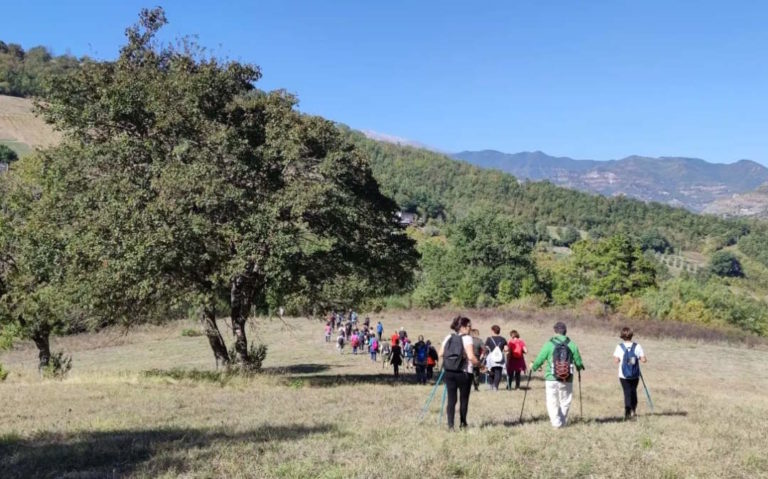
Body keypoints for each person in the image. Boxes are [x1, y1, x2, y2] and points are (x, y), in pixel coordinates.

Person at [530, 321, 585, 428]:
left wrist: (534, 366)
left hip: (551, 377)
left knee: (552, 401)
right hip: (567, 378)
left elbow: (540, 359)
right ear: (565, 331)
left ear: (555, 331)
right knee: (565, 401)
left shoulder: (549, 344)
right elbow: (578, 362)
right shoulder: (572, 344)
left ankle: (556, 423)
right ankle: (562, 422)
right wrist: (579, 367)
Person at [439, 316, 482, 430]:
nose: (470, 328)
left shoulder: (448, 337)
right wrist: (480, 365)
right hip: (464, 372)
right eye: (469, 326)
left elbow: (441, 353)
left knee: (451, 400)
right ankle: (463, 423)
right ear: (462, 327)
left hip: (449, 371)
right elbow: (471, 357)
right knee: (464, 399)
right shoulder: (467, 338)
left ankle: (450, 426)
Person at [613, 326, 647, 420]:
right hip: (635, 374)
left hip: (623, 375)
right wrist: (635, 359)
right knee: (633, 391)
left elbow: (616, 361)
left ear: (622, 336)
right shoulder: (637, 346)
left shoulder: (619, 347)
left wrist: (624, 359)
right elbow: (644, 360)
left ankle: (627, 413)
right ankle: (633, 410)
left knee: (627, 393)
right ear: (632, 335)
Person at [484, 325, 507, 391]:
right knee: (498, 372)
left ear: (493, 331)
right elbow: (506, 349)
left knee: (490, 371)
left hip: (491, 357)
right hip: (500, 357)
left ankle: (491, 385)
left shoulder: (489, 339)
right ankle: (495, 387)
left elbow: (486, 348)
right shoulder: (503, 339)